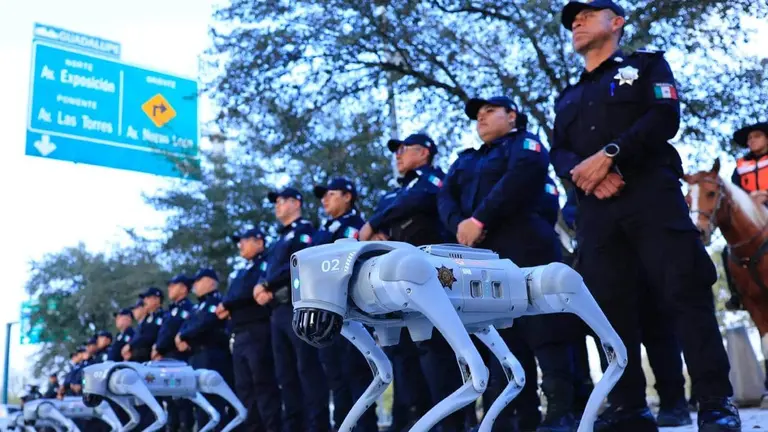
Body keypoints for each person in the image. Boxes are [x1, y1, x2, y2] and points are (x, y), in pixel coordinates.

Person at [552, 1, 741, 430]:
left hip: (652, 197)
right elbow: (559, 150)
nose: (576, 22)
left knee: (685, 293)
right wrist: (590, 176)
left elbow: (664, 116)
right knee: (610, 307)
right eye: (572, 19)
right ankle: (629, 408)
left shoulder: (647, 66)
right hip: (597, 213)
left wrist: (611, 156)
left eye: (586, 13)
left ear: (616, 22)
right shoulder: (568, 96)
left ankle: (715, 403)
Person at [438, 96, 576, 431]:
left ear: (511, 116)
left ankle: (561, 414)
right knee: (501, 336)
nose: (480, 119)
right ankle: (512, 418)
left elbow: (519, 180)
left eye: (489, 112)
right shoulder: (466, 159)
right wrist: (461, 225)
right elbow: (444, 195)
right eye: (477, 116)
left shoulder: (525, 144)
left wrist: (480, 220)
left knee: (545, 330)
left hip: (527, 246)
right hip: (483, 257)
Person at [253, 187, 330, 432]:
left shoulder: (305, 231)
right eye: (275, 202)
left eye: (282, 201)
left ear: (296, 203)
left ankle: (317, 426)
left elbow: (301, 262)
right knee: (285, 376)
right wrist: (264, 288)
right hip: (277, 311)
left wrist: (267, 284)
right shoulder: (279, 239)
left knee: (307, 369)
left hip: (298, 307)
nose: (277, 205)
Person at [313, 177, 379, 432]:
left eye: (331, 194)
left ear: (348, 196)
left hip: (353, 312)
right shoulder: (324, 229)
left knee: (359, 377)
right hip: (327, 313)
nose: (324, 200)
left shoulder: (357, 227)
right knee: (336, 380)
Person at [217, 228, 282, 432]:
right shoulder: (242, 271)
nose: (240, 245)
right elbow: (234, 295)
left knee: (263, 385)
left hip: (258, 330)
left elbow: (248, 293)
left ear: (259, 242)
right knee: (245, 389)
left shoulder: (266, 264)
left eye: (244, 241)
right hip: (240, 334)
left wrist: (228, 305)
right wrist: (228, 304)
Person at [176, 268, 234, 431]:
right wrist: (182, 336)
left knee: (214, 403)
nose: (195, 285)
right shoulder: (197, 307)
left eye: (198, 281)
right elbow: (186, 327)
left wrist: (184, 336)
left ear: (210, 282)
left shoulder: (215, 302)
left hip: (213, 356)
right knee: (201, 405)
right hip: (197, 356)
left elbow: (204, 324)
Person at [154, 274, 196, 432]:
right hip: (166, 359)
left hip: (177, 359)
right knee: (170, 402)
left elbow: (173, 331)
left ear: (184, 288)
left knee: (181, 401)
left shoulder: (187, 308)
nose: (170, 288)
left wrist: (158, 348)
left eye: (174, 285)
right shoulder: (172, 310)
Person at [124, 288, 164, 362]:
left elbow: (150, 335)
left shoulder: (162, 316)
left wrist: (130, 345)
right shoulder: (148, 319)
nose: (145, 301)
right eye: (145, 298)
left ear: (157, 299)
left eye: (148, 298)